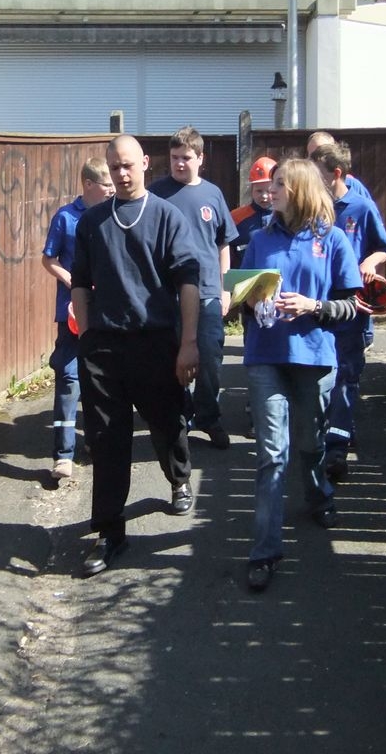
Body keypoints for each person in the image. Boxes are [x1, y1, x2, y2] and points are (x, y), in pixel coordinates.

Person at [70, 134, 201, 576]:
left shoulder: (167, 217)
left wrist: (188, 343)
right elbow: (80, 283)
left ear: (145, 163)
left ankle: (179, 477)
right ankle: (110, 532)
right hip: (104, 347)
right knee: (107, 440)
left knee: (167, 422)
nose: (122, 174)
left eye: (128, 165)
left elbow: (188, 282)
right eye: (114, 167)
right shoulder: (92, 222)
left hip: (155, 341)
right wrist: (87, 335)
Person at [240, 158, 363, 592]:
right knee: (272, 455)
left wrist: (313, 306)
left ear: (300, 189)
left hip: (313, 356)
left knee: (311, 443)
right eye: (270, 184)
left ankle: (318, 494)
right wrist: (250, 301)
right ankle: (264, 552)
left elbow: (352, 307)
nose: (269, 190)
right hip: (265, 356)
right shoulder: (258, 240)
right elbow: (242, 298)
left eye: (278, 184)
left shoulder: (332, 240)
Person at [310, 141, 386, 483]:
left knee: (347, 377)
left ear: (336, 174)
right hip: (319, 308)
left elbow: (385, 246)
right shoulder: (312, 207)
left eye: (318, 174)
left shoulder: (361, 207)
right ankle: (319, 440)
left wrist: (369, 263)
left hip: (354, 309)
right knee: (321, 377)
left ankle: (337, 450)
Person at [148, 126, 237, 449]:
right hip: (167, 293)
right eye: (174, 157)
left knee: (210, 356)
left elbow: (224, 244)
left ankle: (209, 416)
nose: (179, 163)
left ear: (200, 158)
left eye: (185, 157)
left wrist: (226, 288)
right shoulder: (156, 193)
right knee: (170, 358)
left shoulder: (213, 194)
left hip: (208, 290)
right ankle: (180, 415)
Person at [40, 157, 115, 481]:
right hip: (71, 313)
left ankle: (96, 444)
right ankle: (63, 455)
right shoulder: (66, 217)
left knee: (101, 380)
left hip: (106, 313)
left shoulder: (115, 214)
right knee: (69, 379)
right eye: (107, 185)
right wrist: (73, 281)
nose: (112, 190)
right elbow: (49, 259)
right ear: (88, 184)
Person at [228, 156, 277, 270]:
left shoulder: (285, 217)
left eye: (269, 191)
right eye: (259, 191)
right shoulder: (235, 217)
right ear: (251, 189)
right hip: (244, 277)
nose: (264, 196)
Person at [306, 130, 373, 201]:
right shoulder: (304, 186)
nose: (315, 160)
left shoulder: (353, 185)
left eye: (323, 152)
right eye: (311, 156)